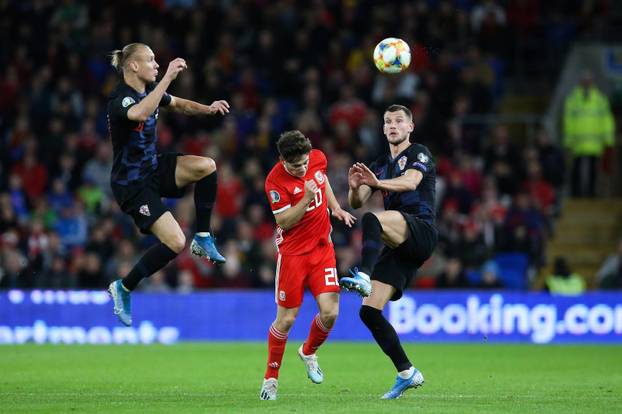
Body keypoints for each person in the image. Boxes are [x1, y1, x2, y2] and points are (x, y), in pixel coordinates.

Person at [106, 43, 230, 326]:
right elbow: (138, 114)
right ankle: (123, 287)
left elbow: (180, 105)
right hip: (132, 185)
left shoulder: (151, 91)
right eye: (150, 60)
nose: (156, 65)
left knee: (207, 166)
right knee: (175, 242)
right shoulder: (120, 99)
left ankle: (203, 237)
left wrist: (208, 109)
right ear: (133, 66)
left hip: (152, 168)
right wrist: (168, 78)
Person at [339, 104, 438, 399]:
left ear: (410, 127)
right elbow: (356, 202)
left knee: (372, 220)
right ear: (383, 129)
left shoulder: (419, 153)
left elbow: (411, 182)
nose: (393, 125)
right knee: (369, 312)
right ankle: (407, 372)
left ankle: (365, 275)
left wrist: (376, 183)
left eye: (399, 121)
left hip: (420, 230)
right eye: (387, 122)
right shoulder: (380, 163)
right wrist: (356, 187)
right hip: (399, 243)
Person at [259, 130, 355, 401]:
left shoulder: (318, 158)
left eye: (304, 163)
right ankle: (270, 379)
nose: (302, 168)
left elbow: (322, 182)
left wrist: (335, 207)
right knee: (286, 320)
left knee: (330, 312)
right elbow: (285, 222)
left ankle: (309, 352)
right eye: (295, 165)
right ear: (282, 160)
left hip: (322, 250)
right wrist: (305, 197)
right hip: (293, 255)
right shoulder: (274, 181)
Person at [563, 70, 614, 197]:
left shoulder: (601, 99)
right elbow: (568, 122)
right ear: (580, 81)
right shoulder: (572, 99)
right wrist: (568, 143)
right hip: (577, 144)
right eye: (584, 79)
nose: (586, 82)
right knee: (575, 170)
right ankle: (576, 196)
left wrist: (608, 142)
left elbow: (607, 121)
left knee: (593, 172)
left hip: (595, 143)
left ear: (592, 81)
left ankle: (591, 195)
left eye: (588, 79)